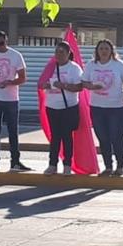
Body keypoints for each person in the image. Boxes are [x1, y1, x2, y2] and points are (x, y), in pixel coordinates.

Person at [0, 30, 32, 173]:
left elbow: (23, 78)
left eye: (1, 43)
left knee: (13, 131)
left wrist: (10, 82)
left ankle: (15, 161)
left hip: (11, 99)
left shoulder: (16, 56)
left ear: (6, 41)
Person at [82, 39, 123, 176]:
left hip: (117, 107)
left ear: (111, 51)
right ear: (97, 51)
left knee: (116, 137)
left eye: (106, 49)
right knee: (103, 138)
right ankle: (108, 166)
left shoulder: (118, 65)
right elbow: (84, 82)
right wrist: (92, 86)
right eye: (101, 49)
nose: (103, 51)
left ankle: (120, 166)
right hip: (97, 107)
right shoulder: (91, 65)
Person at [39, 42, 84, 175]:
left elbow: (79, 87)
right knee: (55, 137)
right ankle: (52, 164)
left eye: (61, 52)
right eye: (56, 52)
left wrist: (62, 85)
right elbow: (40, 83)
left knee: (67, 136)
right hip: (52, 106)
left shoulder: (74, 68)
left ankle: (67, 164)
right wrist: (46, 85)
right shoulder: (51, 67)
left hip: (68, 107)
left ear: (68, 53)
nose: (58, 55)